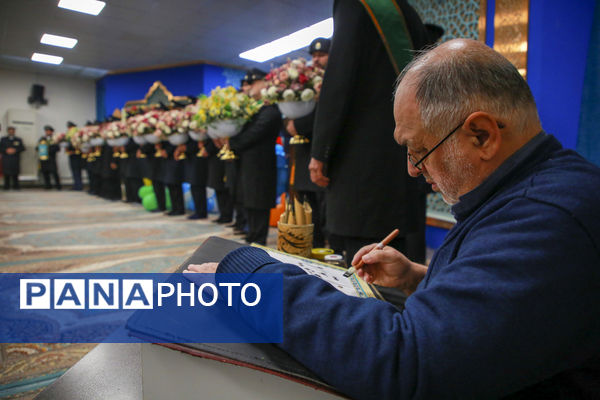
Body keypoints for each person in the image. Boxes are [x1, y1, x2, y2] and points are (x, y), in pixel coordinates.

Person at [186, 39, 600, 399]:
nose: (412, 169)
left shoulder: (548, 219)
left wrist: (252, 274)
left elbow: (407, 363)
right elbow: (516, 314)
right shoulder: (535, 192)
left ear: (482, 136)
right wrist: (419, 278)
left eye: (418, 149)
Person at [308, 0, 434, 265]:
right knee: (405, 264)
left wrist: (321, 151)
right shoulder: (407, 11)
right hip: (404, 163)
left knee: (366, 270)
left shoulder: (356, 4)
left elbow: (340, 76)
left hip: (362, 172)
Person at [284, 37, 330, 248]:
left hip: (325, 156)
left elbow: (325, 116)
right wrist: (290, 123)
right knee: (307, 209)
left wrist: (298, 124)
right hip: (303, 155)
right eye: (314, 56)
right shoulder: (306, 82)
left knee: (325, 213)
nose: (316, 60)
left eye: (321, 55)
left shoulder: (333, 81)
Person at [229, 68, 282, 245]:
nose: (248, 87)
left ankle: (258, 240)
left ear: (264, 83)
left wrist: (232, 143)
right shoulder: (255, 109)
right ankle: (252, 235)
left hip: (261, 165)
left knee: (259, 203)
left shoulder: (270, 110)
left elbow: (254, 134)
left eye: (252, 83)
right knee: (249, 201)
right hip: (248, 163)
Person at [0, 126, 25, 190]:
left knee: (15, 173)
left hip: (15, 158)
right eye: (10, 130)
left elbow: (22, 148)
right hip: (6, 158)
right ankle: (6, 186)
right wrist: (6, 150)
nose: (11, 131)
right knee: (6, 173)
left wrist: (15, 150)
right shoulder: (3, 139)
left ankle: (16, 186)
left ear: (14, 131)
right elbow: (1, 148)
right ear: (8, 131)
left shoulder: (18, 139)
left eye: (12, 130)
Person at [37, 125, 61, 190]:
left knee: (54, 172)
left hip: (51, 158)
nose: (47, 132)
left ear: (51, 132)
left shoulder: (54, 138)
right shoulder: (42, 138)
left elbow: (57, 148)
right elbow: (37, 147)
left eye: (49, 131)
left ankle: (58, 186)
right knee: (45, 172)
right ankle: (48, 185)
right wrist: (40, 149)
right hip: (43, 158)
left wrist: (48, 150)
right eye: (46, 131)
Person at [65, 121, 83, 190]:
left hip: (76, 155)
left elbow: (75, 144)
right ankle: (76, 185)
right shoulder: (71, 133)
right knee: (74, 171)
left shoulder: (75, 133)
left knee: (76, 170)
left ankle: (78, 186)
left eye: (69, 127)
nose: (68, 128)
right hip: (72, 155)